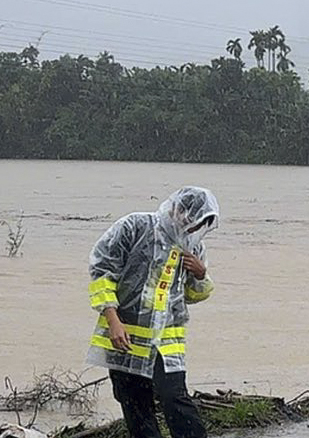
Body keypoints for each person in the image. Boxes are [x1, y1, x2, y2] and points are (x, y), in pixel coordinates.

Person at [87, 187, 219, 438]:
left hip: (167, 339)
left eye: (200, 226)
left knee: (175, 397)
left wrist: (201, 274)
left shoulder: (194, 248)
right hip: (126, 334)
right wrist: (112, 320)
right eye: (192, 222)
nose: (192, 230)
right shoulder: (134, 226)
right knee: (134, 402)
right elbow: (101, 272)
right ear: (177, 209)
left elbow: (191, 296)